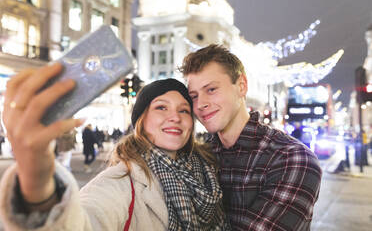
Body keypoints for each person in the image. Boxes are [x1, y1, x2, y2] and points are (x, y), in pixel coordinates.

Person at [0, 63, 229, 230]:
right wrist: (37, 183)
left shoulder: (208, 169)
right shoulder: (120, 182)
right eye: (161, 108)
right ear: (141, 121)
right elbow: (82, 223)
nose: (175, 117)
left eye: (184, 110)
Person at [180, 44, 322, 231]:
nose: (201, 104)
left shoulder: (294, 158)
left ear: (241, 86)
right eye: (194, 96)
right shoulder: (198, 156)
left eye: (211, 89)